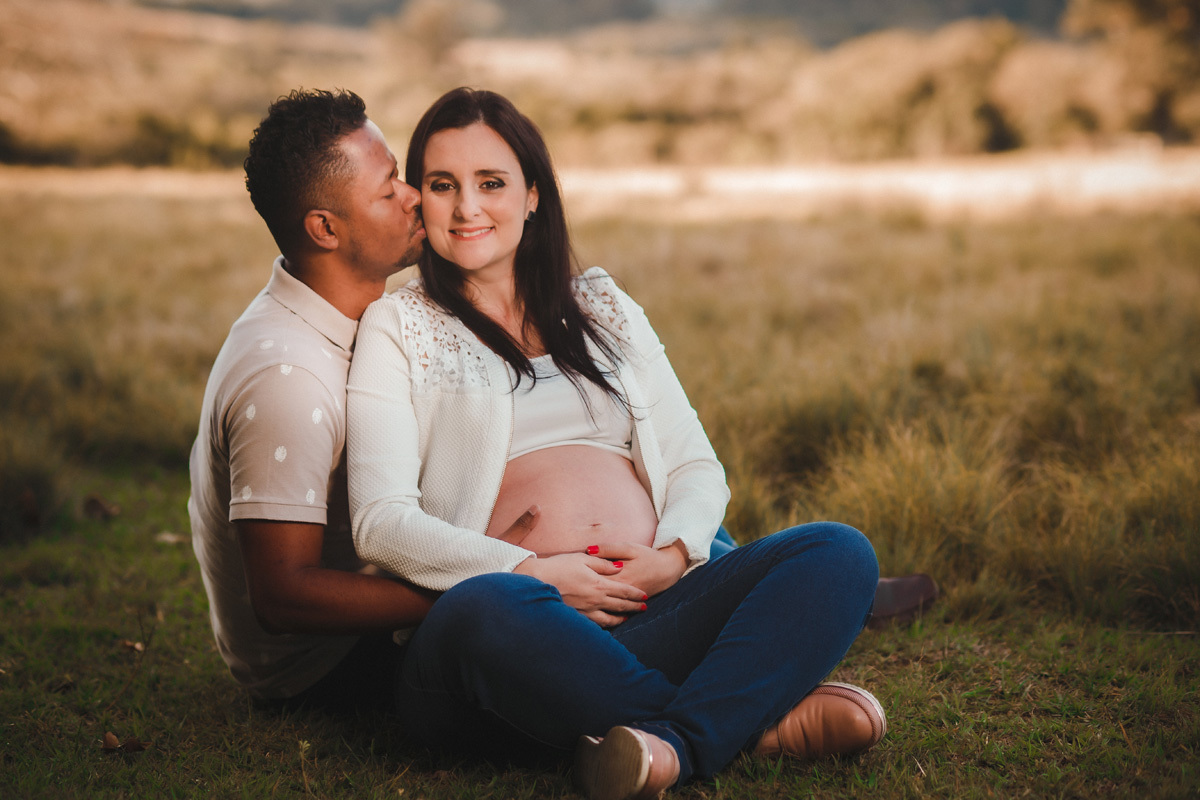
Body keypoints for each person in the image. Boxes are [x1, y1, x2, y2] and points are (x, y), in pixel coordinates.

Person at [345, 87, 889, 799]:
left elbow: (694, 463)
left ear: (534, 194)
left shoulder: (600, 304)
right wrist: (534, 573)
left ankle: (667, 745)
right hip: (511, 639)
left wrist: (672, 558)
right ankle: (747, 728)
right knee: (484, 609)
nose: (466, 207)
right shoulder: (399, 326)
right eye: (442, 185)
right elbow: (380, 524)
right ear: (422, 197)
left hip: (645, 611)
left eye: (491, 183)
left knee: (838, 551)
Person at [188, 88, 543, 707]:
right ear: (325, 228)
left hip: (396, 591)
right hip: (330, 667)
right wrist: (479, 578)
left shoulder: (359, 316)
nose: (415, 198)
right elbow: (282, 597)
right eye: (388, 190)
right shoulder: (288, 381)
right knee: (560, 613)